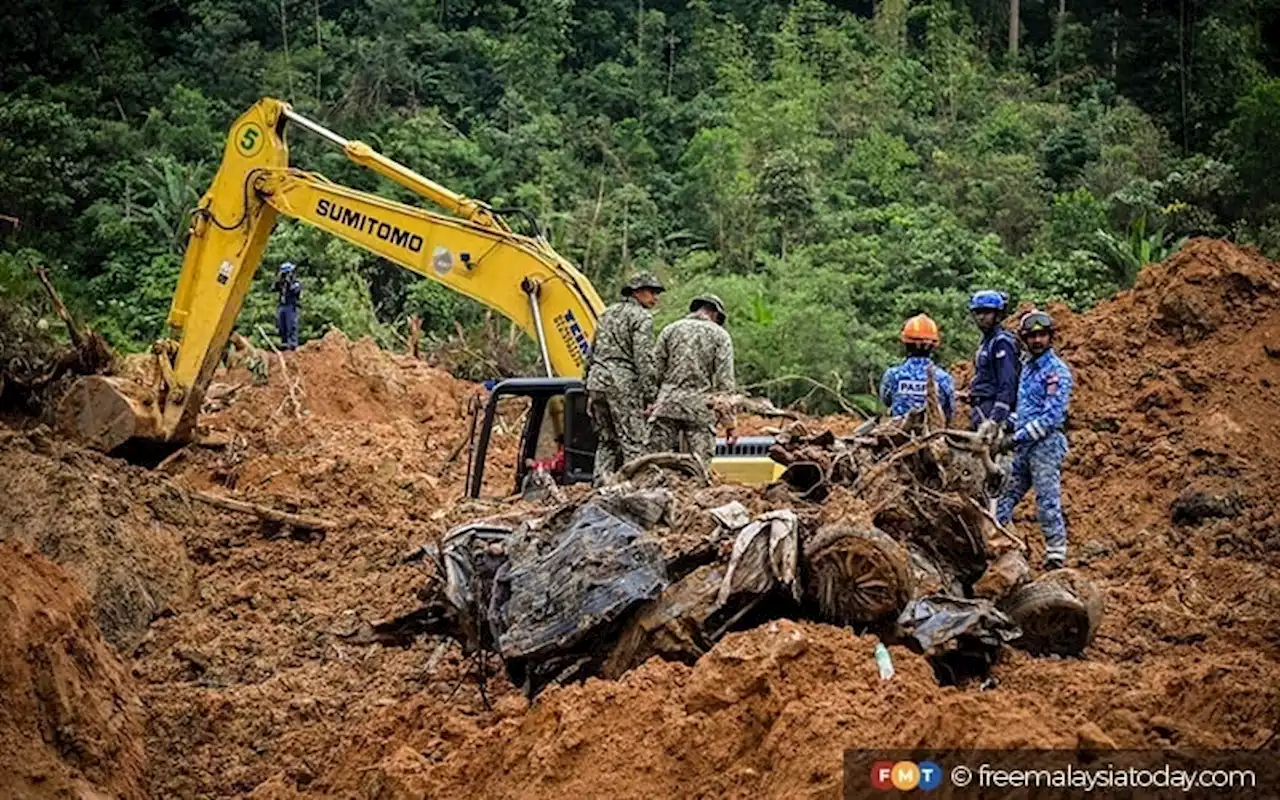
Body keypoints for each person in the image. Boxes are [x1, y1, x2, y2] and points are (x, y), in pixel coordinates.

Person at [996, 310, 1074, 571]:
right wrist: (1006, 426)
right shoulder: (1028, 368)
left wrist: (1016, 437)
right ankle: (996, 543)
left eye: (1042, 335)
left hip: (1045, 446)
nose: (1037, 340)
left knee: (1046, 500)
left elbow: (1052, 416)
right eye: (1032, 336)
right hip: (1023, 447)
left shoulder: (1056, 371)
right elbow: (1027, 409)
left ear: (1050, 337)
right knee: (1003, 496)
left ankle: (1056, 554)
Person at [583, 272, 664, 483]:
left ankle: (599, 488)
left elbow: (591, 353)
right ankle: (634, 491)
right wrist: (651, 396)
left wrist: (588, 389)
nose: (655, 298)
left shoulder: (607, 314)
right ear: (636, 293)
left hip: (597, 382)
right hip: (622, 385)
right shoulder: (642, 317)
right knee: (634, 443)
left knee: (606, 442)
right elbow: (644, 359)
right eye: (651, 292)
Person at [649, 294, 736, 466]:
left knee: (655, 465)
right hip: (700, 408)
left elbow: (655, 370)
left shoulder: (670, 330)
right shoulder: (721, 336)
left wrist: (651, 400)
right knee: (699, 468)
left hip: (667, 405)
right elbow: (724, 383)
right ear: (715, 314)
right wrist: (729, 423)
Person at [879, 314, 956, 424]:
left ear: (905, 342)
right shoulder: (943, 378)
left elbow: (887, 401)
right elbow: (950, 412)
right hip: (934, 436)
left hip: (897, 436)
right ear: (934, 345)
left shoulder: (892, 375)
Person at [967, 290, 1020, 429]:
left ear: (998, 315)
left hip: (991, 408)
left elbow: (1007, 383)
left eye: (986, 312)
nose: (981, 317)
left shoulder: (1001, 342)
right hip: (981, 407)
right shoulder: (986, 341)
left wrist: (996, 419)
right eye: (978, 313)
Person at [272, 262, 303, 351]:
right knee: (282, 326)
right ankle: (284, 343)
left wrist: (289, 281)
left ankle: (293, 344)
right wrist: (279, 279)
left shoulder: (296, 283)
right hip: (282, 306)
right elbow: (273, 288)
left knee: (291, 325)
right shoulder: (282, 283)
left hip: (291, 306)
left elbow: (294, 290)